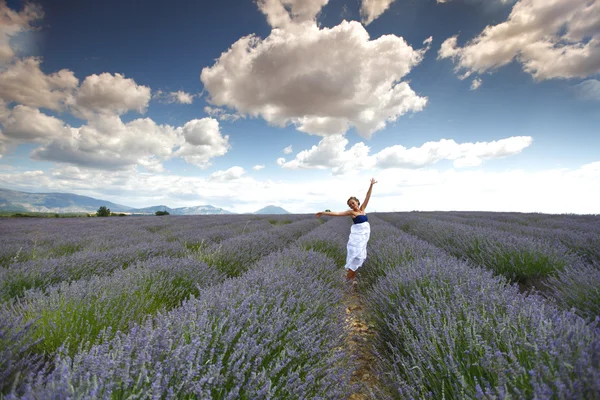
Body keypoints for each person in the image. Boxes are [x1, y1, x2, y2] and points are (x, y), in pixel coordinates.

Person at [316, 178, 377, 281]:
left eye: (353, 203)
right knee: (354, 257)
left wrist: (371, 185)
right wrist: (323, 212)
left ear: (357, 202)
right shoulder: (351, 212)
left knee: (359, 258)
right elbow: (338, 213)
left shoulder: (362, 209)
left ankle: (350, 279)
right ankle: (348, 280)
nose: (352, 205)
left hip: (363, 239)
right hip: (357, 239)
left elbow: (368, 196)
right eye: (350, 205)